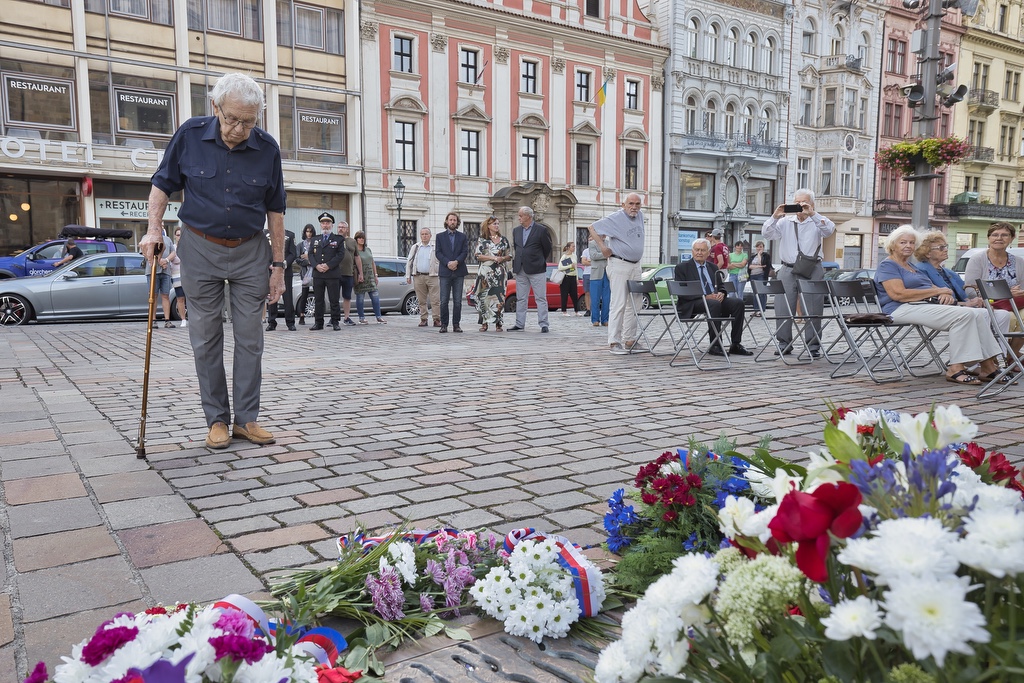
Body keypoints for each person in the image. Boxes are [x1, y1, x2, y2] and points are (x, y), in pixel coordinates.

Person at [142, 72, 286, 449]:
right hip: (200, 247)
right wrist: (154, 230)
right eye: (232, 119)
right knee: (205, 338)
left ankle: (246, 419)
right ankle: (217, 419)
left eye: (249, 122)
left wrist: (279, 266)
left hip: (250, 249)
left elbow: (276, 210)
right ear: (215, 107)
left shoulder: (267, 148)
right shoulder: (190, 135)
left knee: (251, 338)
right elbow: (162, 184)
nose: (239, 129)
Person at [874, 225, 1003, 386]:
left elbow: (931, 287)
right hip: (899, 308)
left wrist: (943, 292)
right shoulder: (888, 265)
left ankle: (988, 366)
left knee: (978, 313)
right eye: (903, 242)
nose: (908, 246)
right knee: (964, 315)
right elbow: (898, 294)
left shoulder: (911, 266)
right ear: (892, 245)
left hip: (921, 305)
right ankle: (955, 368)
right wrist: (937, 291)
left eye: (912, 243)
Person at [762, 188, 835, 357]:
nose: (800, 205)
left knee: (813, 308)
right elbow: (767, 234)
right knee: (782, 307)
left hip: (812, 268)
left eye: (804, 202)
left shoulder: (817, 221)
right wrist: (775, 216)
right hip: (787, 268)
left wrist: (812, 214)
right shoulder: (785, 221)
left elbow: (829, 230)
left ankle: (813, 346)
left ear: (812, 204)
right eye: (797, 202)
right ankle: (784, 344)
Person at [587, 193, 645, 354]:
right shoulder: (616, 217)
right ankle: (614, 342)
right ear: (623, 204)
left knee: (635, 304)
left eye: (637, 204)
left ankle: (629, 339)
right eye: (631, 203)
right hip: (619, 263)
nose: (634, 207)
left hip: (635, 265)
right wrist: (603, 247)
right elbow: (592, 228)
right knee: (618, 303)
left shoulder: (640, 216)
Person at [674, 239, 753, 356]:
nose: (699, 253)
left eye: (702, 250)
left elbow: (721, 286)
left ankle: (736, 344)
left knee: (738, 303)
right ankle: (715, 345)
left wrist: (722, 293)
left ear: (708, 252)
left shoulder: (713, 267)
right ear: (692, 251)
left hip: (714, 300)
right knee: (713, 304)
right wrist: (705, 296)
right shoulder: (682, 267)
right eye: (697, 250)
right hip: (693, 301)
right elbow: (682, 292)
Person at [508, 206, 553, 333]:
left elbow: (547, 248)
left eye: (520, 216)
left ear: (528, 216)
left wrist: (538, 259)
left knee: (540, 298)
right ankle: (519, 324)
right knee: (521, 298)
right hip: (521, 268)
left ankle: (544, 324)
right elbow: (517, 248)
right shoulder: (516, 230)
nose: (519, 218)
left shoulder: (541, 230)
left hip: (537, 268)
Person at [473, 216, 511, 331]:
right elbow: (477, 255)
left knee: (499, 298)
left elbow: (509, 255)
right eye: (494, 224)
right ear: (488, 226)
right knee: (484, 297)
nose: (497, 226)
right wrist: (492, 258)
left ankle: (498, 322)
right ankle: (484, 322)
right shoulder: (482, 240)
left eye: (498, 224)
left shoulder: (503, 240)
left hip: (499, 273)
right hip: (485, 273)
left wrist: (502, 258)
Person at [435, 211, 469, 333]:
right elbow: (438, 252)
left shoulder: (462, 236)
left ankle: (456, 324)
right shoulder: (440, 236)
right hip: (445, 271)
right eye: (450, 220)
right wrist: (448, 263)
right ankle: (444, 324)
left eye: (454, 220)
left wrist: (456, 262)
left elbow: (465, 252)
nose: (452, 222)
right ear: (447, 221)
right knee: (444, 300)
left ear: (457, 222)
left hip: (459, 271)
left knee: (458, 301)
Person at [309, 212, 345, 331]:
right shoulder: (315, 239)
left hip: (332, 274)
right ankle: (318, 322)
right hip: (318, 274)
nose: (325, 225)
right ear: (320, 225)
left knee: (334, 300)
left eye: (328, 223)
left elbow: (340, 255)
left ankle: (335, 321)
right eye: (323, 223)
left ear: (332, 225)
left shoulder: (338, 239)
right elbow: (310, 254)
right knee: (318, 300)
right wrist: (316, 265)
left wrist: (328, 265)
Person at [406, 227, 441, 327]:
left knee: (435, 300)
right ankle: (423, 319)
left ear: (430, 236)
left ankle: (436, 319)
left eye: (426, 234)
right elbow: (409, 261)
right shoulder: (416, 247)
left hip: (433, 276)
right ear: (420, 236)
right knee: (421, 300)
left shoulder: (435, 247)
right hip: (419, 276)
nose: (424, 236)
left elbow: (440, 260)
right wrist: (408, 275)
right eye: (422, 234)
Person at [266, 227, 297, 331]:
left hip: (285, 271)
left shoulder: (290, 235)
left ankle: (290, 322)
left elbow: (293, 253)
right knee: (272, 296)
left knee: (288, 298)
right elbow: (263, 252)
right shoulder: (265, 235)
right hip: (271, 271)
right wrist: (269, 264)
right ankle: (271, 322)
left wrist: (284, 264)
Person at [353, 231, 385, 324]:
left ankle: (378, 317)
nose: (361, 239)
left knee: (375, 297)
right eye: (359, 238)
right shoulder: (355, 251)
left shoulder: (368, 250)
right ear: (356, 239)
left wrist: (376, 275)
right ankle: (361, 318)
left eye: (363, 238)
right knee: (360, 298)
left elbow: (372, 262)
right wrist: (358, 274)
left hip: (370, 276)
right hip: (360, 276)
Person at [145, 231, 176, 328]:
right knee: (153, 296)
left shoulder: (167, 239)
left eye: (162, 225)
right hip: (152, 271)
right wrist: (159, 262)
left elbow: (173, 253)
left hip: (166, 272)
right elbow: (145, 254)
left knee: (166, 295)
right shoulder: (147, 238)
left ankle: (167, 321)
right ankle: (153, 320)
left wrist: (166, 260)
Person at [336, 219, 363, 326]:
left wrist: (360, 273)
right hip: (335, 273)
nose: (340, 229)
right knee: (334, 297)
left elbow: (357, 257)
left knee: (347, 296)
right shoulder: (333, 240)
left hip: (348, 273)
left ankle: (346, 317)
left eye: (343, 227)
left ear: (347, 229)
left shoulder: (352, 242)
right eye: (339, 227)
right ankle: (334, 318)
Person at [295, 223, 316, 325]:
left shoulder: (316, 244)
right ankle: (302, 315)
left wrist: (308, 257)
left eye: (310, 232)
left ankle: (318, 317)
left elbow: (318, 257)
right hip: (305, 273)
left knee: (318, 294)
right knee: (304, 295)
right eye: (307, 232)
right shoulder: (300, 245)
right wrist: (307, 261)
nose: (309, 234)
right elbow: (298, 259)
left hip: (315, 272)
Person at [746, 240, 773, 316]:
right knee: (755, 293)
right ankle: (756, 310)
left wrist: (759, 255)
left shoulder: (766, 256)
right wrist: (759, 266)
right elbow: (750, 266)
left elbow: (763, 263)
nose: (759, 248)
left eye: (760, 247)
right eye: (757, 247)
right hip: (753, 276)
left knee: (761, 293)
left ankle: (761, 310)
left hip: (761, 275)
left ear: (763, 247)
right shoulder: (753, 256)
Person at [588, 237, 610, 327]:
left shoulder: (608, 242)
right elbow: (594, 256)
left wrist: (607, 254)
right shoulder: (592, 243)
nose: (604, 235)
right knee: (595, 298)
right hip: (596, 273)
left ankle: (605, 319)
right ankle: (595, 319)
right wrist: (606, 254)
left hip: (607, 273)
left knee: (607, 298)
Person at [557, 242, 581, 315]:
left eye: (574, 246)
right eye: (572, 246)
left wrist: (577, 278)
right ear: (568, 247)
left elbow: (575, 268)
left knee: (574, 295)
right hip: (566, 277)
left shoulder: (574, 256)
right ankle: (564, 311)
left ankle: (576, 311)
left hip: (573, 276)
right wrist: (570, 266)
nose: (574, 248)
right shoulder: (564, 256)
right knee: (564, 294)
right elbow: (560, 267)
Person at [169, 227, 186, 327]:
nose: (179, 237)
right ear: (175, 236)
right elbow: (174, 259)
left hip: (187, 275)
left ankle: (193, 318)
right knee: (180, 298)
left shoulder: (187, 247)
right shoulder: (173, 248)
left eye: (181, 235)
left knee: (190, 298)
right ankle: (183, 319)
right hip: (176, 276)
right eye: (178, 235)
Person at [579, 243, 592, 316]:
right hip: (587, 273)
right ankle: (588, 309)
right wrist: (593, 262)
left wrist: (589, 261)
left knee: (596, 292)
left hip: (596, 273)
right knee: (587, 292)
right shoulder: (586, 251)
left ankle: (595, 308)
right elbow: (583, 262)